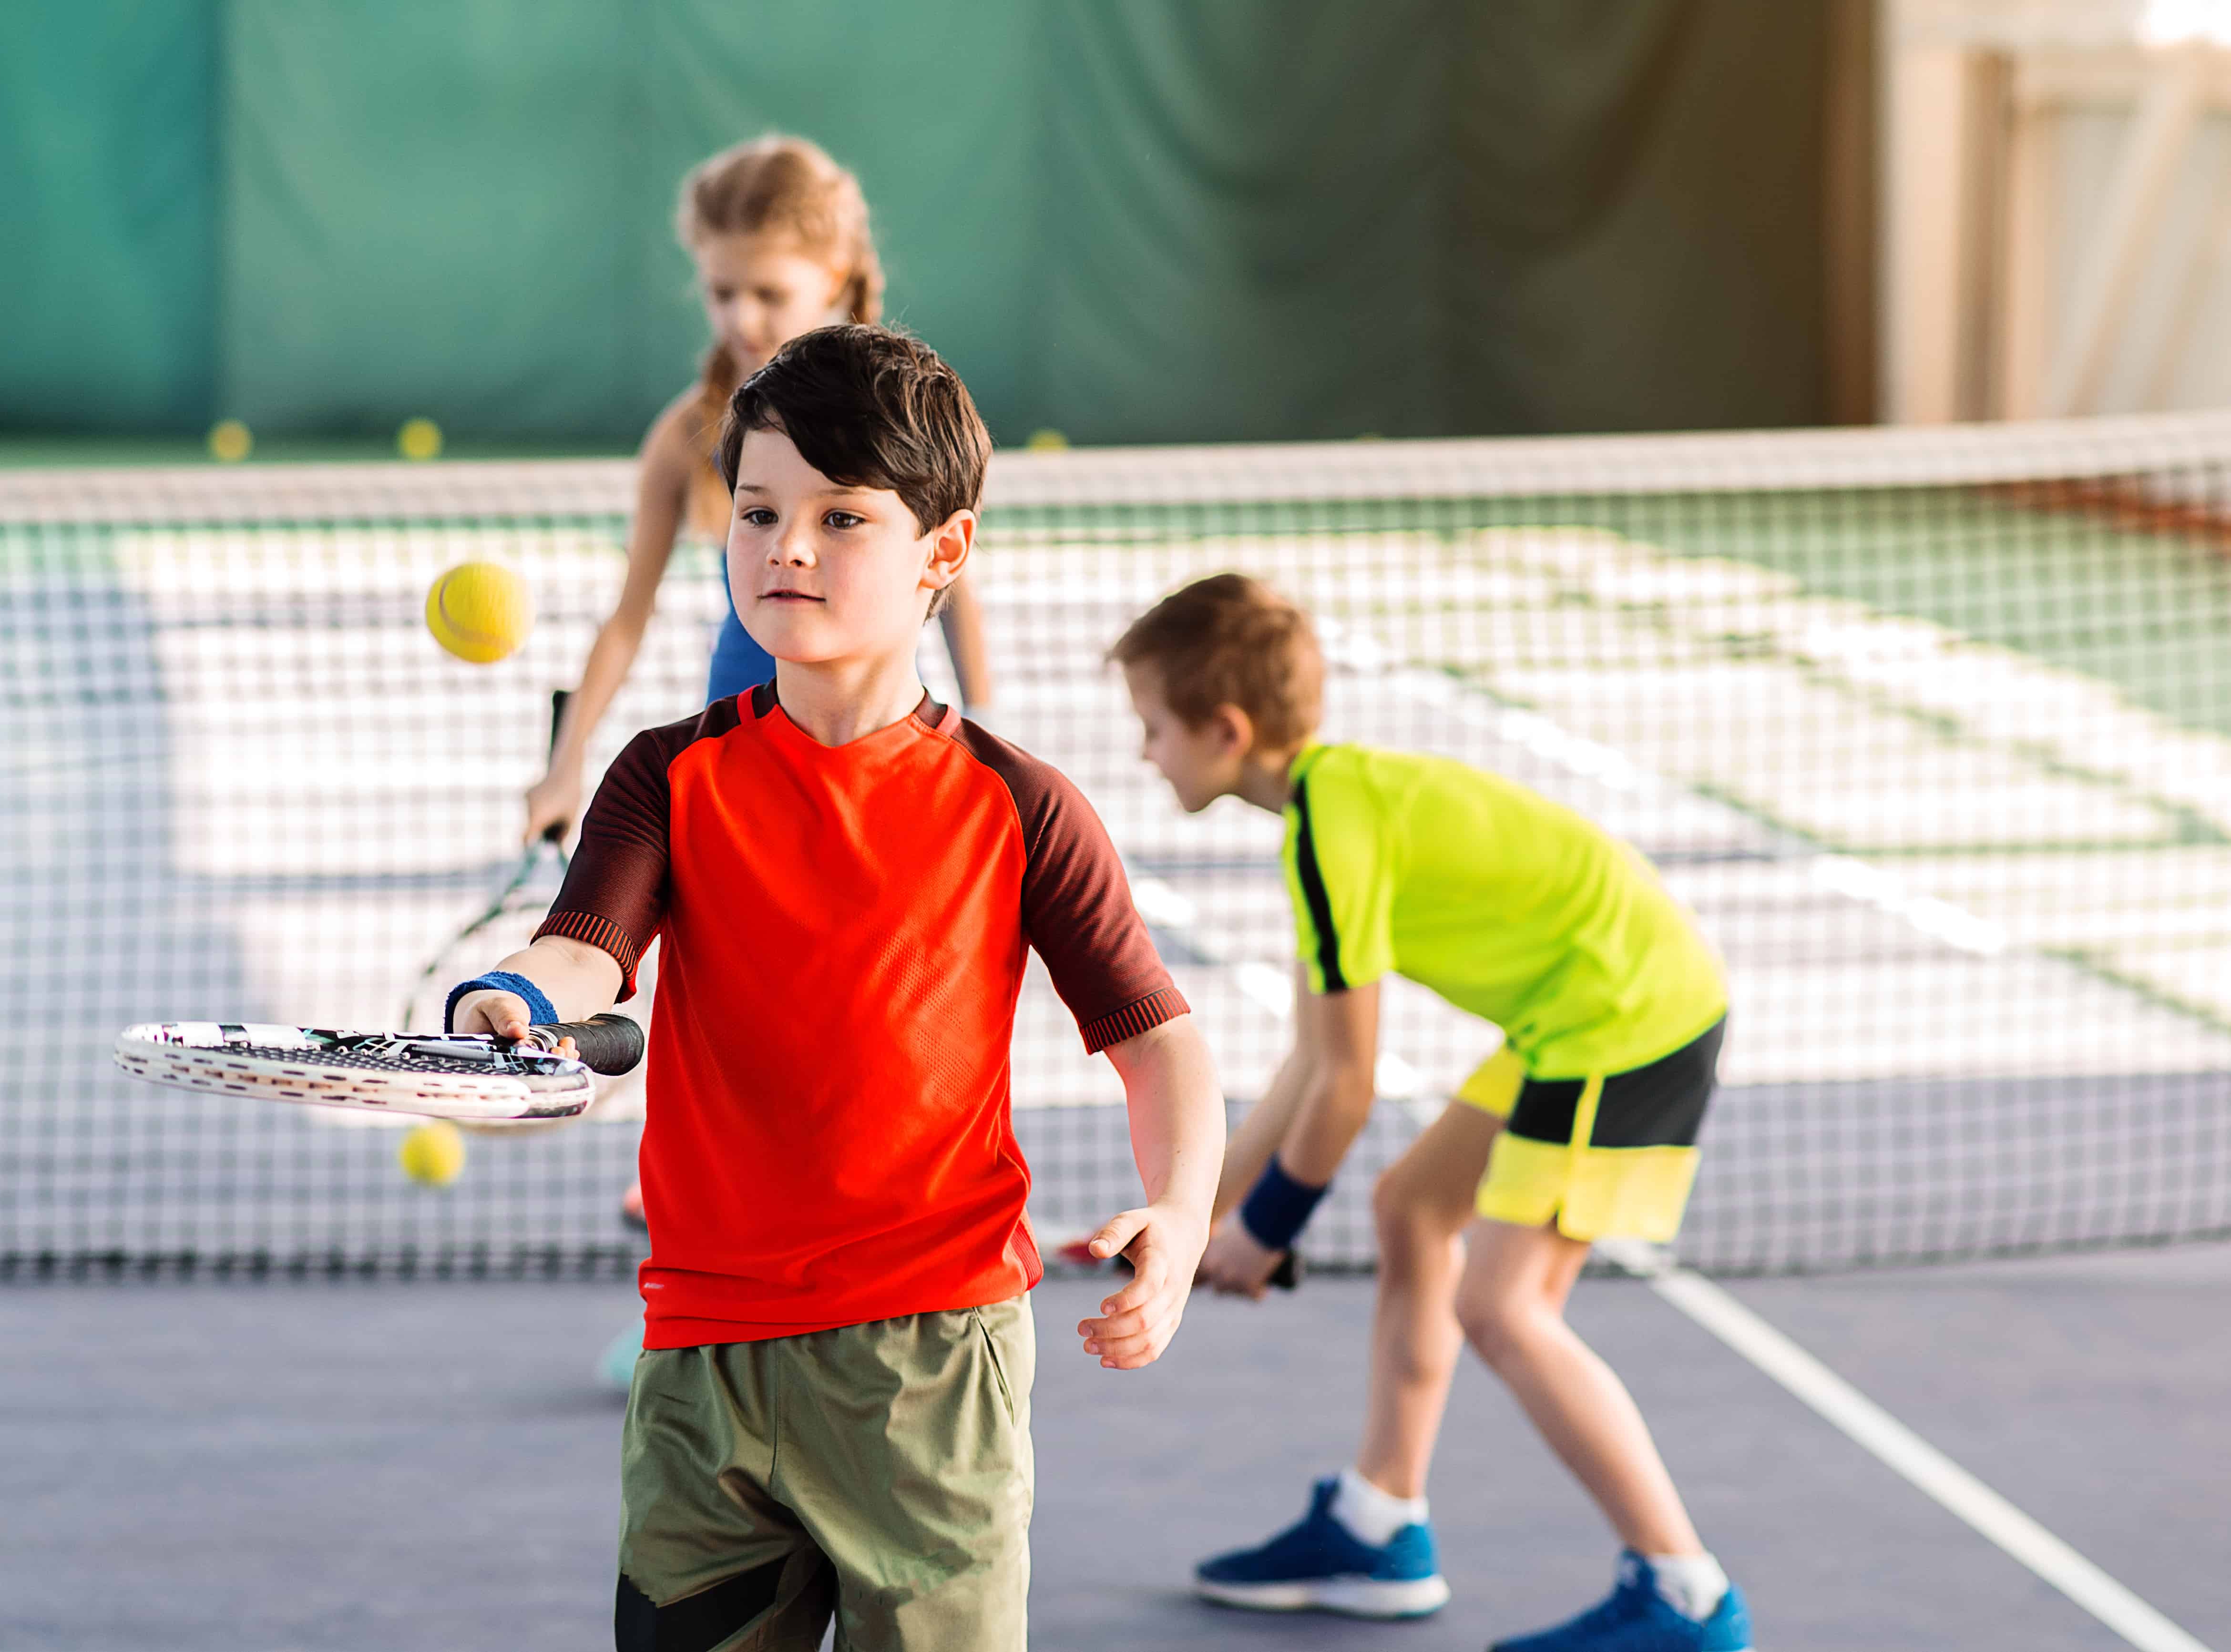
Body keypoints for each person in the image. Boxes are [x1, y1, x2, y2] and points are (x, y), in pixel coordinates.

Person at [450, 326, 1224, 1650]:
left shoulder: (1022, 805)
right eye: (757, 511)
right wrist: (511, 995)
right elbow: (582, 946)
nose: (785, 548)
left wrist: (1186, 1211)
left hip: (934, 1371)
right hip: (700, 1363)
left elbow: (1159, 1041)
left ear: (945, 551)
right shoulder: (664, 776)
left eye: (840, 517)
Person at [1107, 573, 1752, 1652]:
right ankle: (1381, 1523)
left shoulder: (1330, 831)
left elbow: (1348, 1085)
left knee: (1504, 1308)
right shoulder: (1330, 809)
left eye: (1154, 728)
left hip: (1625, 1014)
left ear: (1225, 731)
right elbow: (1313, 1062)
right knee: (1413, 1208)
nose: (1145, 753)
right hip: (1580, 1005)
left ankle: (1684, 1594)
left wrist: (1264, 1231)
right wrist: (1190, 1217)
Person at [524, 134, 994, 846]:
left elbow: (958, 597)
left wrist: (987, 729)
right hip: (737, 754)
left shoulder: (900, 424)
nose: (740, 319)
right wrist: (567, 764)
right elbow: (627, 619)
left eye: (769, 294)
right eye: (722, 293)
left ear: (833, 277)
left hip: (874, 739)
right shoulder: (683, 435)